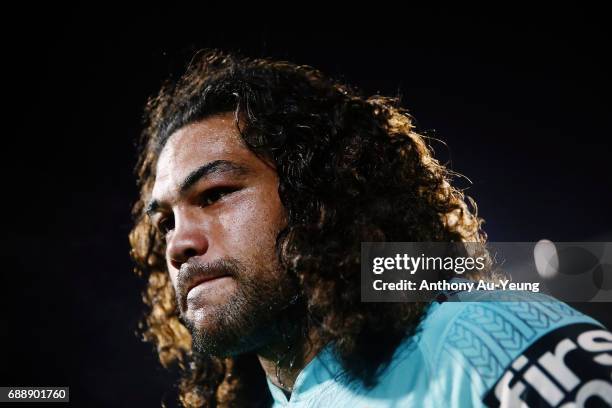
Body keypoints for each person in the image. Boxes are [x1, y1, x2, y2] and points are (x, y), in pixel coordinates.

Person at [129, 50, 612, 407]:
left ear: (320, 193)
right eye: (166, 221)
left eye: (214, 194)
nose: (179, 243)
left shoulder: (490, 338)